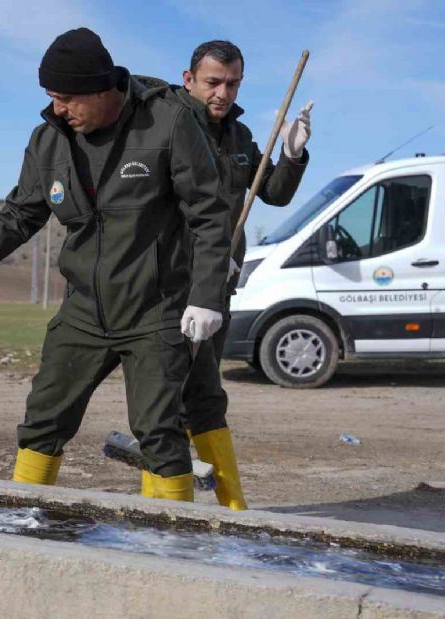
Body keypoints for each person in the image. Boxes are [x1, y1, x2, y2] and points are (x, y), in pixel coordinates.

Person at [0, 28, 231, 501]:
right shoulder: (49, 141)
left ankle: (173, 548)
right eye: (52, 97)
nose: (59, 108)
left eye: (67, 98)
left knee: (159, 433)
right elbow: (20, 215)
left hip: (155, 310)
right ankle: (26, 519)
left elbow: (210, 214)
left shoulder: (168, 123)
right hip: (83, 310)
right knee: (44, 418)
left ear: (104, 90)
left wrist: (206, 296)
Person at [155, 40, 312, 509]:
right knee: (163, 392)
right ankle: (159, 506)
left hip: (219, 285)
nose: (223, 92)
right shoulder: (165, 127)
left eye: (233, 82)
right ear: (189, 80)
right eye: (213, 82)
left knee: (204, 390)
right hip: (171, 282)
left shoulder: (240, 139)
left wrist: (292, 153)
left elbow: (275, 194)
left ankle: (230, 508)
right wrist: (200, 252)